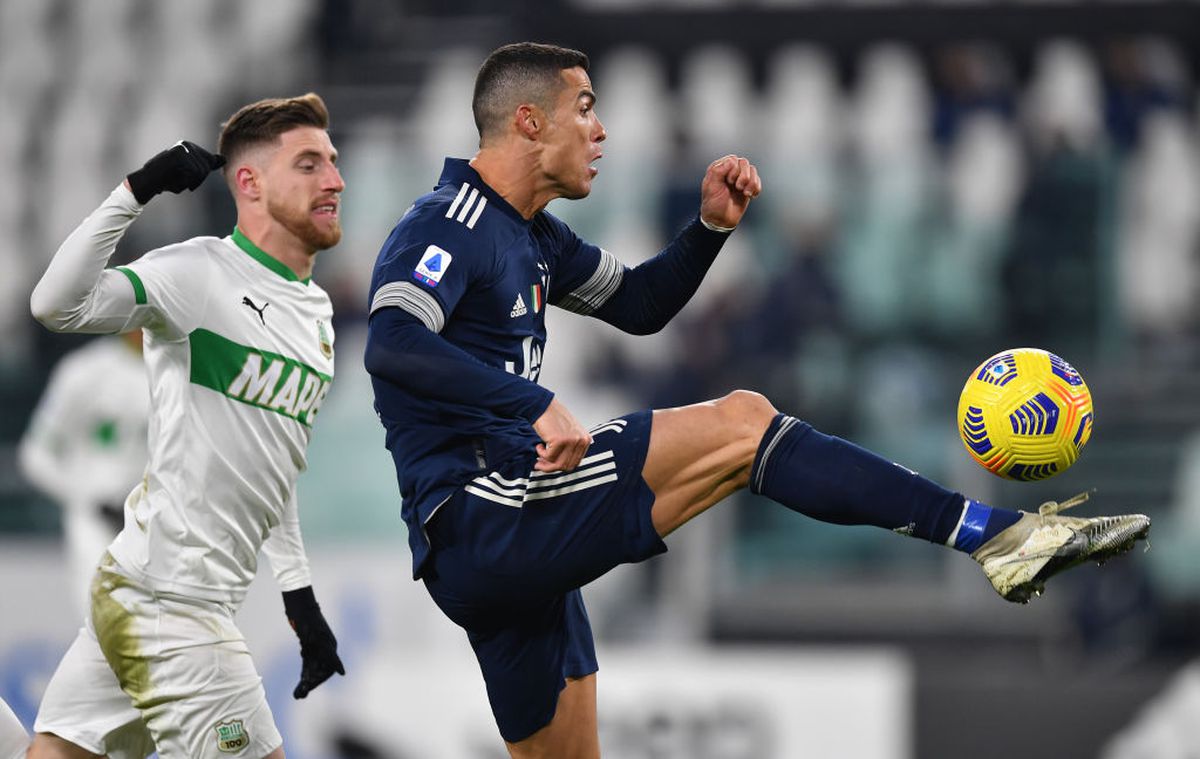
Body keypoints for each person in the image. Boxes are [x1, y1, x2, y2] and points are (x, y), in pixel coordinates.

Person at [364, 42, 1151, 758]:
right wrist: (530, 402)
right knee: (745, 423)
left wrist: (707, 229)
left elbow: (639, 306)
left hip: (508, 531)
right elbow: (394, 343)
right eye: (584, 108)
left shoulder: (533, 234)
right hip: (482, 511)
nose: (600, 129)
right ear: (528, 120)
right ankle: (996, 535)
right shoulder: (449, 222)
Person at [27, 93, 347, 759]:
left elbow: (275, 462)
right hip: (170, 605)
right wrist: (137, 190)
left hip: (159, 594)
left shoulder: (316, 311)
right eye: (310, 164)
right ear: (250, 183)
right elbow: (54, 303)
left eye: (335, 163)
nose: (335, 180)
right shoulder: (198, 274)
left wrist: (300, 597)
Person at [19, 330, 149, 620]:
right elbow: (34, 454)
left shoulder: (183, 371)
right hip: (95, 522)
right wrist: (86, 496)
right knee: (102, 626)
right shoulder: (84, 370)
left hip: (154, 522)